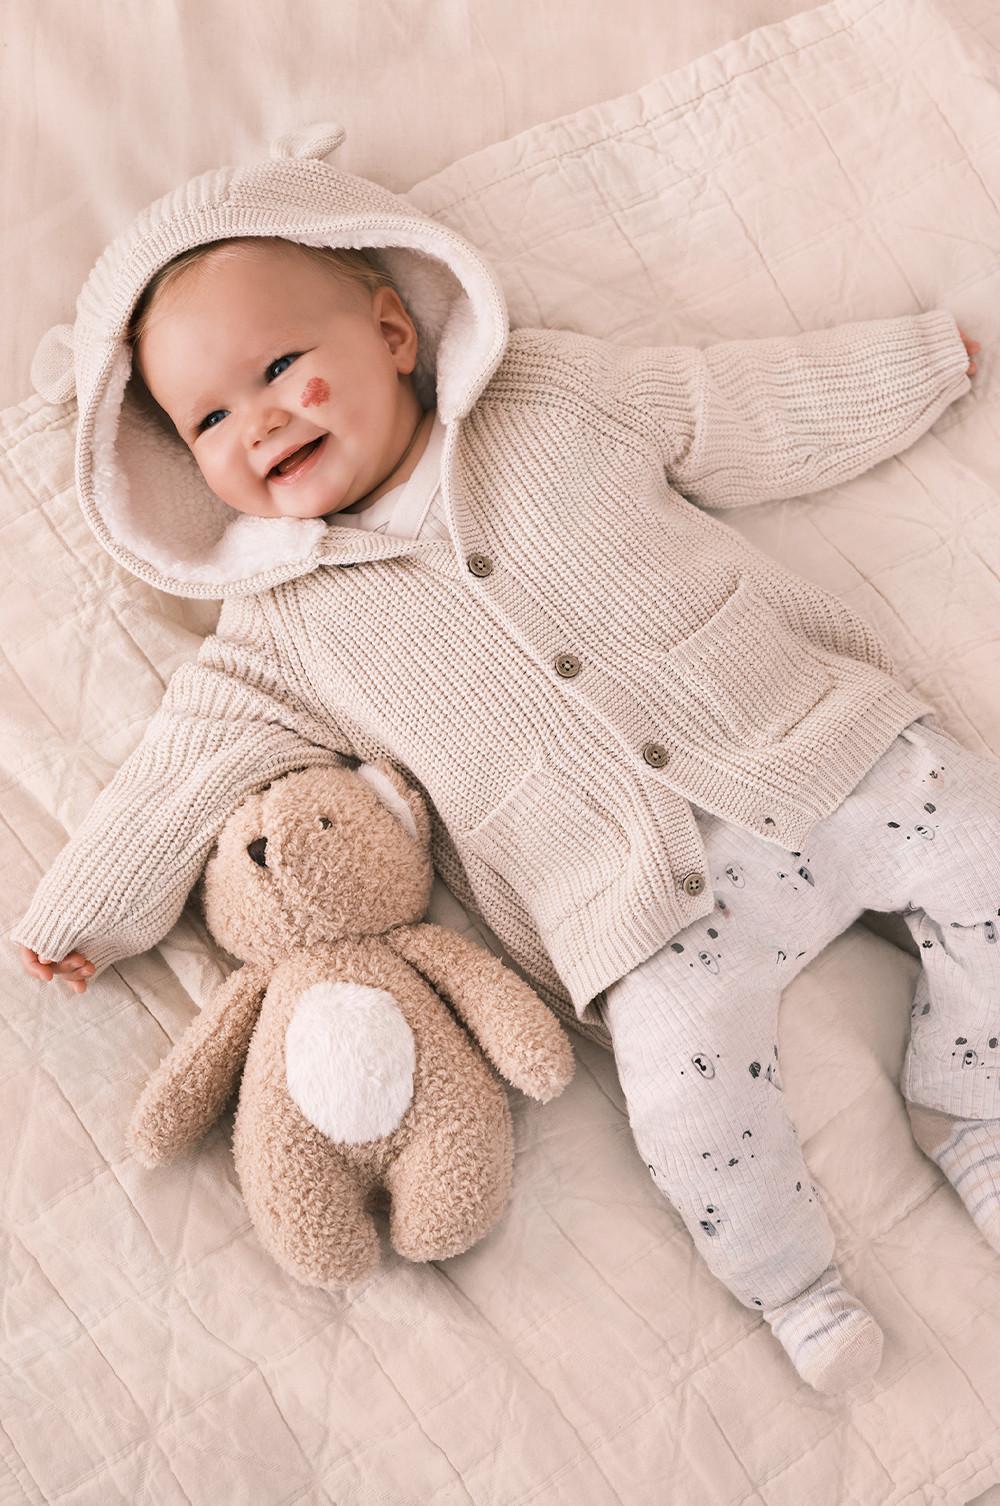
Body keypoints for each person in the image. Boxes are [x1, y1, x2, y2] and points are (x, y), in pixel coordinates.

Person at [10, 123, 990, 1395]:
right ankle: (796, 1285)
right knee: (687, 1110)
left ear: (392, 332)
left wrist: (911, 366)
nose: (258, 422)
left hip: (817, 749)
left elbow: (726, 405)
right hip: (636, 909)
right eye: (208, 417)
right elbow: (180, 765)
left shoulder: (552, 398)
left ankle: (972, 1100)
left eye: (283, 366)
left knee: (984, 842)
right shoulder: (280, 630)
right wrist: (87, 908)